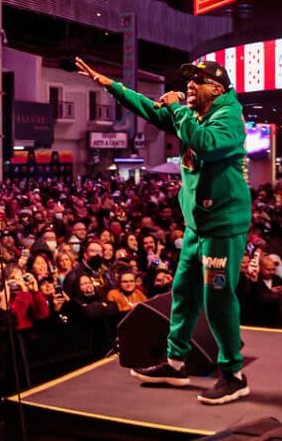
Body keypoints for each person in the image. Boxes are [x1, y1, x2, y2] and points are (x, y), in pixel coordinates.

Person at [79, 57, 253, 405]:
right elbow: (152, 111)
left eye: (197, 82)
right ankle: (175, 364)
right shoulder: (195, 114)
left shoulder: (228, 117)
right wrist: (112, 86)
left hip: (222, 225)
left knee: (217, 298)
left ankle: (234, 375)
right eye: (187, 81)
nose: (189, 86)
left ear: (217, 90)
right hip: (196, 226)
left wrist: (179, 110)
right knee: (184, 292)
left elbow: (204, 143)